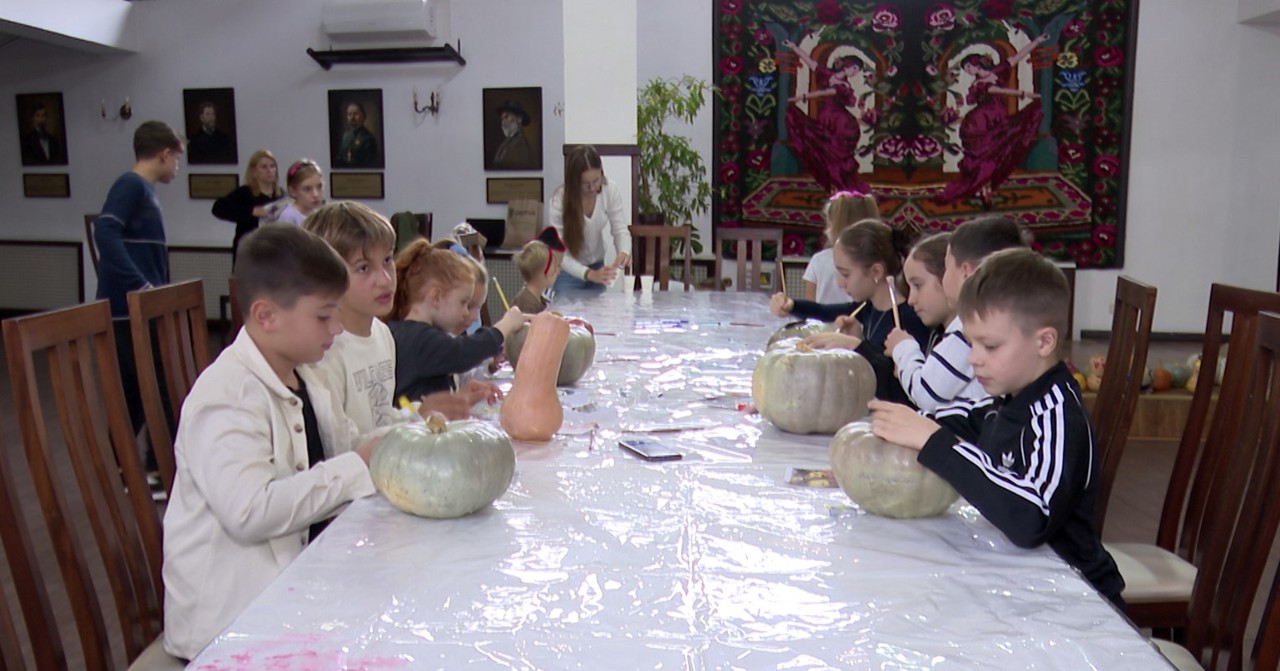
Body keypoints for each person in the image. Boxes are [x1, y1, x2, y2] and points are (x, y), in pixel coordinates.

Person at [162, 224, 380, 659]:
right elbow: (250, 511)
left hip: (298, 586)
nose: (337, 327)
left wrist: (399, 440)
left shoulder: (306, 373)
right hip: (230, 627)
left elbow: (345, 443)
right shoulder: (226, 397)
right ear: (266, 316)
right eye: (324, 315)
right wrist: (358, 466)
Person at [868, 248, 1125, 609]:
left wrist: (935, 441)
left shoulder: (1056, 414)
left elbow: (1030, 517)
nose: (974, 358)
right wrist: (899, 425)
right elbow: (964, 421)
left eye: (989, 345)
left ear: (1044, 342)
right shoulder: (1006, 398)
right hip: (1023, 585)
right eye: (972, 342)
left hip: (1075, 599)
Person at [93, 120, 183, 436]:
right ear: (164, 154)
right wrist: (139, 285)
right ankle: (158, 469)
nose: (176, 166)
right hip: (127, 310)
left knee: (138, 395)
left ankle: (131, 468)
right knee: (154, 389)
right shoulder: (130, 184)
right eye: (177, 159)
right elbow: (105, 231)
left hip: (141, 307)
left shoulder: (144, 190)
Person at [886, 217, 1029, 413]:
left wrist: (903, 350)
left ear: (966, 273)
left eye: (946, 268)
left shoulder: (967, 330)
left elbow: (926, 393)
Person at [388, 240, 529, 403]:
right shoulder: (418, 340)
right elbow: (462, 352)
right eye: (463, 303)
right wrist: (506, 325)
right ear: (436, 297)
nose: (466, 313)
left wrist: (459, 397)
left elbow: (428, 397)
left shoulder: (419, 335)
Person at [936, 34, 1050, 207]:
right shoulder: (977, 84)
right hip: (980, 122)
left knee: (996, 153)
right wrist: (1023, 94)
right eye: (965, 68)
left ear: (975, 63)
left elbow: (1016, 57)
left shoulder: (998, 71)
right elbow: (993, 91)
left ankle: (985, 188)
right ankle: (985, 190)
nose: (967, 70)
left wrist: (1037, 41)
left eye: (967, 66)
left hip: (996, 117)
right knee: (984, 156)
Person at [782, 38, 871, 194]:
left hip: (840, 122)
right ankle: (833, 185)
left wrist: (800, 97)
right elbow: (810, 62)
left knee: (835, 153)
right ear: (847, 64)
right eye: (855, 67)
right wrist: (794, 47)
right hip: (827, 118)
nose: (855, 72)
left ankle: (839, 184)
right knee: (824, 150)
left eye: (857, 70)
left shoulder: (844, 85)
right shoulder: (826, 73)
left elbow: (824, 92)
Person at [550, 145, 631, 293]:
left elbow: (620, 230)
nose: (593, 188)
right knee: (567, 315)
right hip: (568, 272)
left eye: (597, 180)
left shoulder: (609, 190)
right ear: (575, 182)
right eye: (586, 184)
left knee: (597, 314)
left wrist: (623, 252)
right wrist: (588, 274)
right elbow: (558, 253)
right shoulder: (560, 200)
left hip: (598, 267)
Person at [803, 190, 879, 302]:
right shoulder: (877, 262)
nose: (841, 283)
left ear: (832, 225)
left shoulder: (818, 261)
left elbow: (809, 309)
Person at [212, 149, 284, 261]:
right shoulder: (244, 193)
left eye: (272, 166)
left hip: (275, 250)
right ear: (254, 172)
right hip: (250, 251)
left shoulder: (281, 195)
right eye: (264, 167)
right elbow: (218, 208)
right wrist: (251, 211)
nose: (269, 170)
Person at [512, 227, 566, 314]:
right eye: (555, 266)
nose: (558, 271)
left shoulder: (539, 299)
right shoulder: (527, 304)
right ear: (544, 272)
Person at [275, 159, 325, 226]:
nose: (316, 194)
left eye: (319, 187)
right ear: (293, 191)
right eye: (307, 189)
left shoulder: (318, 214)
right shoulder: (289, 217)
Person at [493, 100, 534, 169]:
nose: (503, 122)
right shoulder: (506, 143)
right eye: (502, 119)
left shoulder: (519, 144)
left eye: (506, 117)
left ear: (519, 119)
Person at [336, 101, 378, 167]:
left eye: (355, 114)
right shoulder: (345, 136)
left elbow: (370, 163)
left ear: (363, 116)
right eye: (349, 114)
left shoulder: (368, 138)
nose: (352, 117)